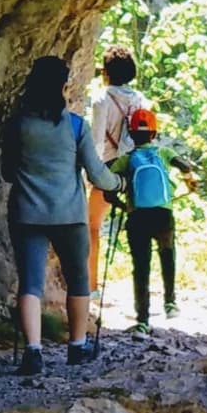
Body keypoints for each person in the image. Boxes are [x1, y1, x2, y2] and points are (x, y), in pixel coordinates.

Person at [1, 56, 122, 375]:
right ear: (62, 87)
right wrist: (118, 183)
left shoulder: (16, 125)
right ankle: (77, 346)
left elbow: (7, 173)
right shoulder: (75, 126)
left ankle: (33, 353)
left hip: (27, 213)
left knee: (30, 283)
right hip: (69, 214)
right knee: (78, 279)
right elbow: (97, 174)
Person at [105, 108, 200, 333]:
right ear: (154, 134)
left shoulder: (126, 160)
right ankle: (170, 302)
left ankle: (143, 321)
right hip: (162, 214)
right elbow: (185, 166)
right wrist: (189, 182)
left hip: (137, 216)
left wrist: (123, 206)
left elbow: (106, 186)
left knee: (141, 267)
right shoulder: (164, 153)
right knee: (167, 255)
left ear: (131, 133)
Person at [87, 46, 152, 294]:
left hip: (108, 168)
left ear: (106, 72)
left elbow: (96, 142)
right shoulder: (142, 101)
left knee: (92, 225)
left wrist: (90, 174)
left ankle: (92, 287)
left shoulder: (102, 99)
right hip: (135, 167)